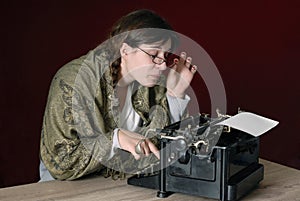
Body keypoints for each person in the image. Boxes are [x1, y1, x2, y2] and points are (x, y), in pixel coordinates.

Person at [39, 9, 197, 181]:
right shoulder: (73, 80)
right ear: (125, 50)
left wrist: (175, 94)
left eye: (165, 56)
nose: (162, 66)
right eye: (154, 55)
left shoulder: (150, 82)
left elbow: (161, 147)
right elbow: (62, 163)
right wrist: (115, 139)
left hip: (120, 184)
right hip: (66, 187)